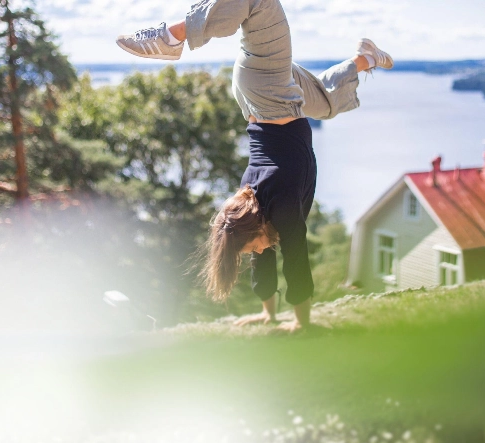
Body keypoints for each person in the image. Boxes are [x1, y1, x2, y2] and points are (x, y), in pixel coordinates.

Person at [116, 0, 393, 331]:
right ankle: (366, 58)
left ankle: (171, 36)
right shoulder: (254, 206)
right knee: (327, 103)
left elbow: (297, 264)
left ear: (256, 227)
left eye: (250, 247)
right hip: (265, 96)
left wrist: (303, 325)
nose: (256, 253)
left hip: (267, 91)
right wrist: (269, 316)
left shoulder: (281, 208)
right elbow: (265, 259)